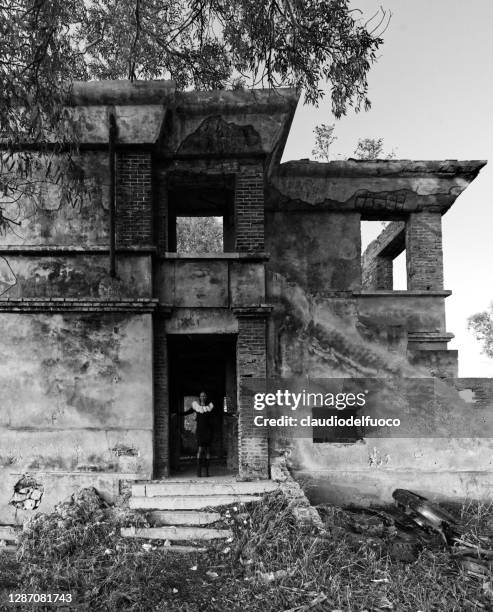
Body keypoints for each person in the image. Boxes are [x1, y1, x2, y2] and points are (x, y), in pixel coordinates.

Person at [183, 391, 214, 477]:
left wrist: (232, 414)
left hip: (208, 431)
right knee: (200, 450)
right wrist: (176, 413)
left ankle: (207, 472)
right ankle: (199, 472)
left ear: (206, 397)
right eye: (201, 396)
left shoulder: (210, 407)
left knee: (207, 450)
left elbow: (220, 412)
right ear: (199, 397)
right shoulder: (196, 407)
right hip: (200, 431)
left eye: (204, 396)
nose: (203, 397)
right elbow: (187, 412)